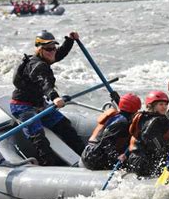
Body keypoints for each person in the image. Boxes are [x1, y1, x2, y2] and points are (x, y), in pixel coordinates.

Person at [10, 31, 94, 166]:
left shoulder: (45, 58)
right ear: (39, 49)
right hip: (22, 106)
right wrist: (54, 97)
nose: (52, 51)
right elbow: (45, 84)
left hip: (39, 105)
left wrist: (69, 40)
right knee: (39, 139)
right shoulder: (38, 66)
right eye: (48, 49)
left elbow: (59, 54)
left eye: (54, 47)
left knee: (66, 127)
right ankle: (48, 165)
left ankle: (87, 157)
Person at [127, 91, 169, 177]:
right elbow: (147, 135)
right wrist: (163, 148)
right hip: (142, 162)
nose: (164, 107)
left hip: (135, 160)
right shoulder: (154, 120)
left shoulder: (146, 117)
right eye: (160, 104)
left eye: (165, 104)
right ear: (152, 106)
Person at [81, 93, 141, 170]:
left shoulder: (120, 116)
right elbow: (106, 141)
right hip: (93, 156)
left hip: (93, 152)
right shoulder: (122, 122)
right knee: (130, 165)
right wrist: (116, 157)